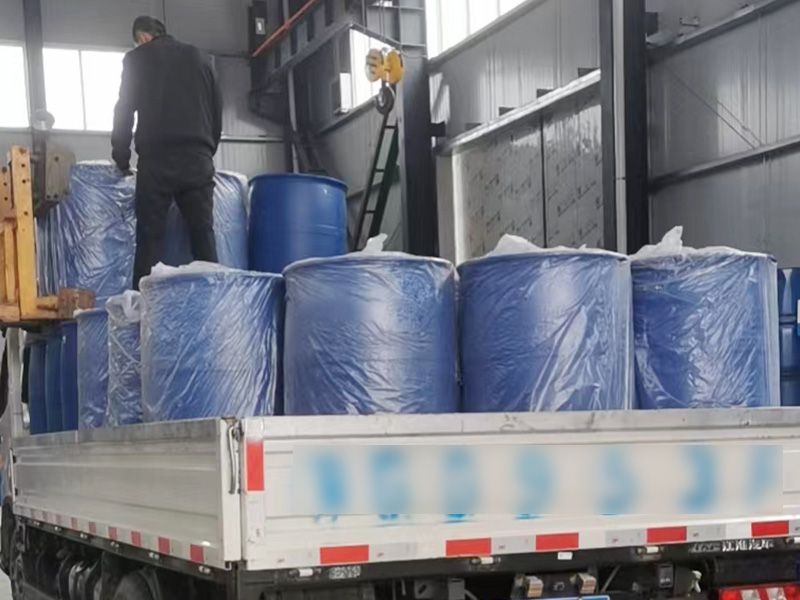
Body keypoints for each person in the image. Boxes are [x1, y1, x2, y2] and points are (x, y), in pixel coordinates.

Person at [111, 16, 222, 288]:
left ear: (142, 37)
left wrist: (121, 157)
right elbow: (216, 108)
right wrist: (207, 149)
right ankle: (214, 299)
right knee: (203, 236)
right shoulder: (200, 57)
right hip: (197, 157)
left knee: (149, 240)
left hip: (156, 161)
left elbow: (124, 110)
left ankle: (142, 305)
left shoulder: (137, 59)